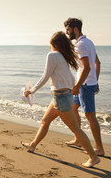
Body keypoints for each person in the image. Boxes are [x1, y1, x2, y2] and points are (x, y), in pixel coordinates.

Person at [21, 31, 100, 168]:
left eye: (50, 44)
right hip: (63, 96)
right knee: (45, 121)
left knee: (75, 128)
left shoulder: (52, 55)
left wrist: (31, 91)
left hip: (60, 98)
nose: (49, 47)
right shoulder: (63, 58)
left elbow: (45, 76)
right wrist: (71, 90)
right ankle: (33, 145)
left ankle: (93, 157)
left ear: (54, 44)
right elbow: (71, 78)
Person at [63, 18, 105, 156]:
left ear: (76, 29)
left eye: (68, 30)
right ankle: (78, 139)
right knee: (73, 108)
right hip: (88, 83)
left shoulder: (80, 45)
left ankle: (99, 148)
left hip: (85, 85)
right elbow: (97, 63)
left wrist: (77, 86)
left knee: (90, 116)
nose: (67, 32)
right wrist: (96, 81)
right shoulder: (89, 42)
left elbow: (87, 68)